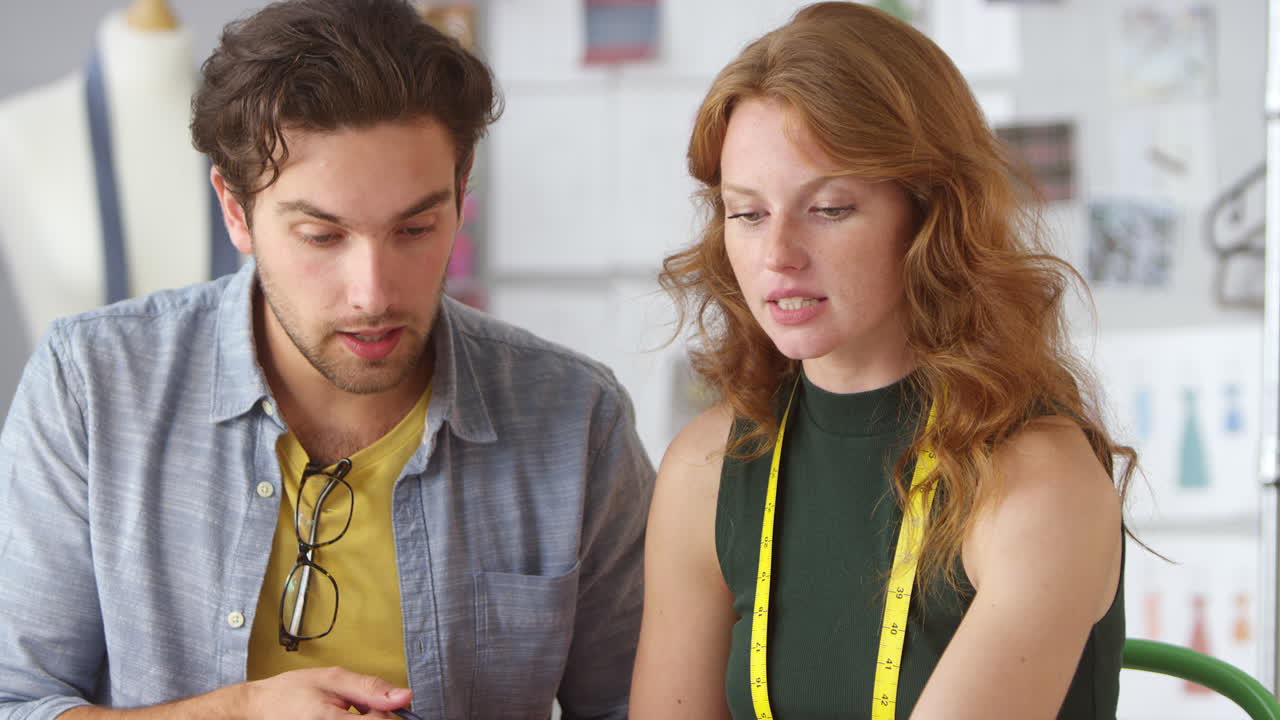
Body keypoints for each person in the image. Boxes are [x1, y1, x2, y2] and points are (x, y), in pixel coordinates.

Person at [0, 1, 653, 719]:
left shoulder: (577, 420)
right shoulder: (89, 387)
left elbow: (637, 708)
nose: (373, 293)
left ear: (462, 194)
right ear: (235, 209)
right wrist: (236, 713)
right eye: (321, 235)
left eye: (415, 227)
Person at [630, 3, 1133, 719]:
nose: (778, 255)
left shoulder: (1038, 480)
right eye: (747, 213)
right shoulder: (706, 468)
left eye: (829, 208)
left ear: (930, 215)